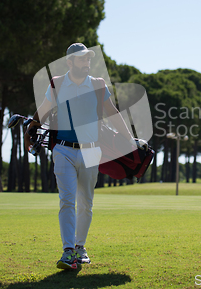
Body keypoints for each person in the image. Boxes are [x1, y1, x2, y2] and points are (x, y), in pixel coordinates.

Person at [25, 43, 135, 270]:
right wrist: (30, 129)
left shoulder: (97, 85)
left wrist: (130, 139)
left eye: (88, 60)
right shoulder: (57, 84)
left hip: (91, 150)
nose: (87, 63)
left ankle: (80, 247)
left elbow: (112, 112)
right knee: (67, 200)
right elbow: (44, 109)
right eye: (82, 59)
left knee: (85, 203)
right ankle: (68, 252)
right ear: (70, 62)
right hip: (63, 149)